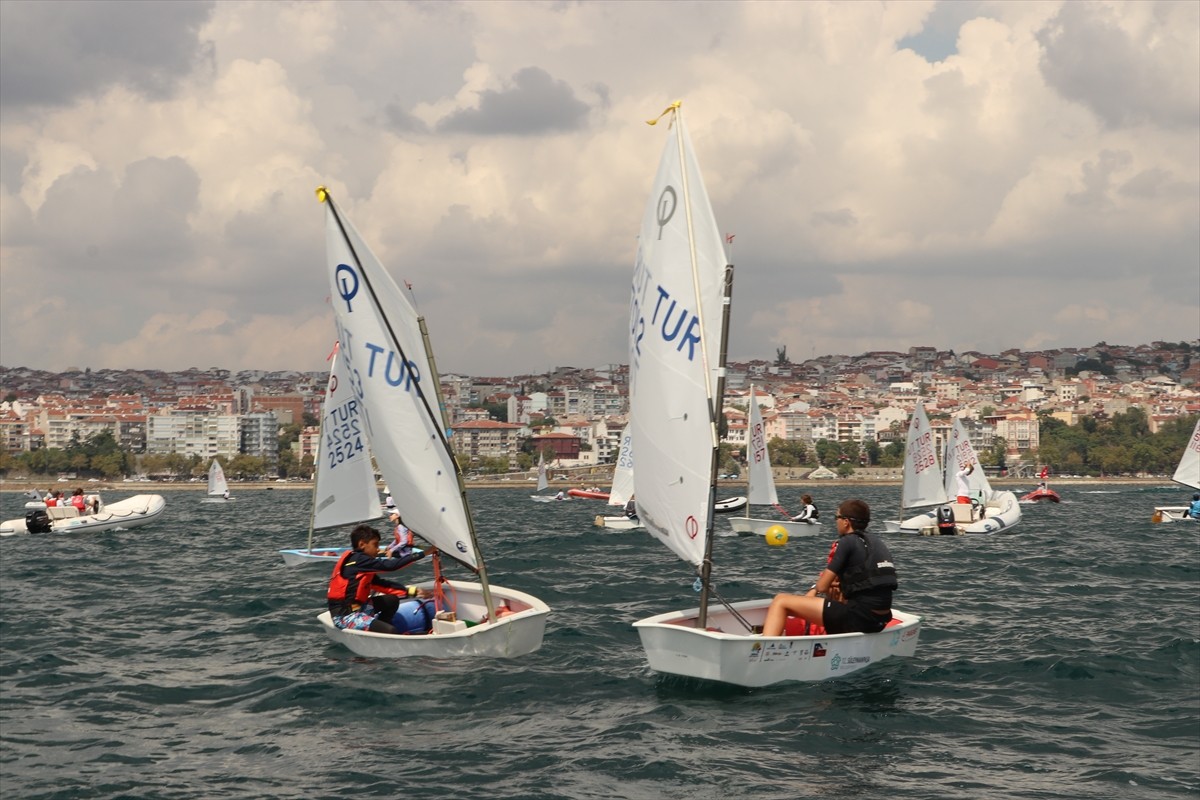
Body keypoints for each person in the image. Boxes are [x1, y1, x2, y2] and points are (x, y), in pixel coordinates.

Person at [761, 499, 897, 637]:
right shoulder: (876, 542)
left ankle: (765, 647)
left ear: (846, 522)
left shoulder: (847, 542)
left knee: (780, 601)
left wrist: (813, 590)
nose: (836, 521)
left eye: (836, 517)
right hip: (880, 619)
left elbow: (822, 587)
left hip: (859, 618)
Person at [327, 524, 429, 634]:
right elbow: (391, 566)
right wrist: (424, 553)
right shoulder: (359, 560)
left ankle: (380, 629)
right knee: (391, 630)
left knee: (392, 600)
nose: (378, 549)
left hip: (359, 607)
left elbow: (382, 585)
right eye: (375, 545)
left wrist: (412, 591)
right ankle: (385, 633)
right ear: (362, 544)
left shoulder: (361, 565)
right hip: (345, 616)